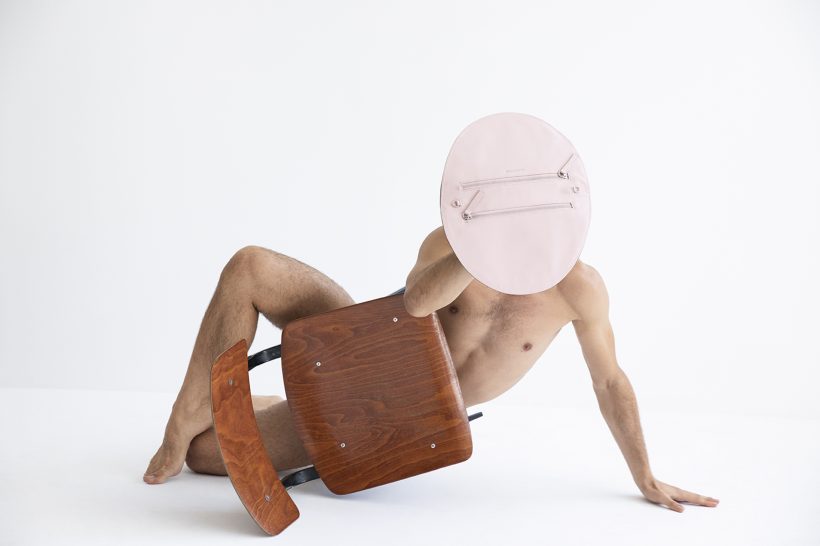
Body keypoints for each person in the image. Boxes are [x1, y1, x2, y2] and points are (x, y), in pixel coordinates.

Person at [143, 226, 719, 513]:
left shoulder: (581, 289)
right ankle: (184, 412)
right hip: (366, 347)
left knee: (206, 457)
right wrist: (475, 248)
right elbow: (416, 304)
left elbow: (609, 380)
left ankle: (262, 412)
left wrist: (645, 475)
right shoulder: (451, 240)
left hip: (391, 419)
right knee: (250, 265)